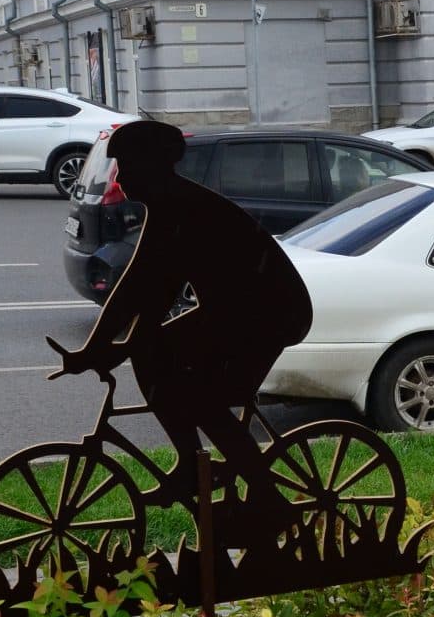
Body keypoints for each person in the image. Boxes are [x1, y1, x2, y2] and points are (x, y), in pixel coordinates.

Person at [57, 119, 312, 531]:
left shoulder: (184, 209)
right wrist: (108, 345)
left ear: (154, 164)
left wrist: (101, 347)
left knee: (206, 400)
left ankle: (269, 499)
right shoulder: (168, 207)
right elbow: (142, 288)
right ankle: (192, 467)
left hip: (270, 312)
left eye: (126, 164)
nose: (120, 175)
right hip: (236, 307)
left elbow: (146, 290)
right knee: (151, 353)